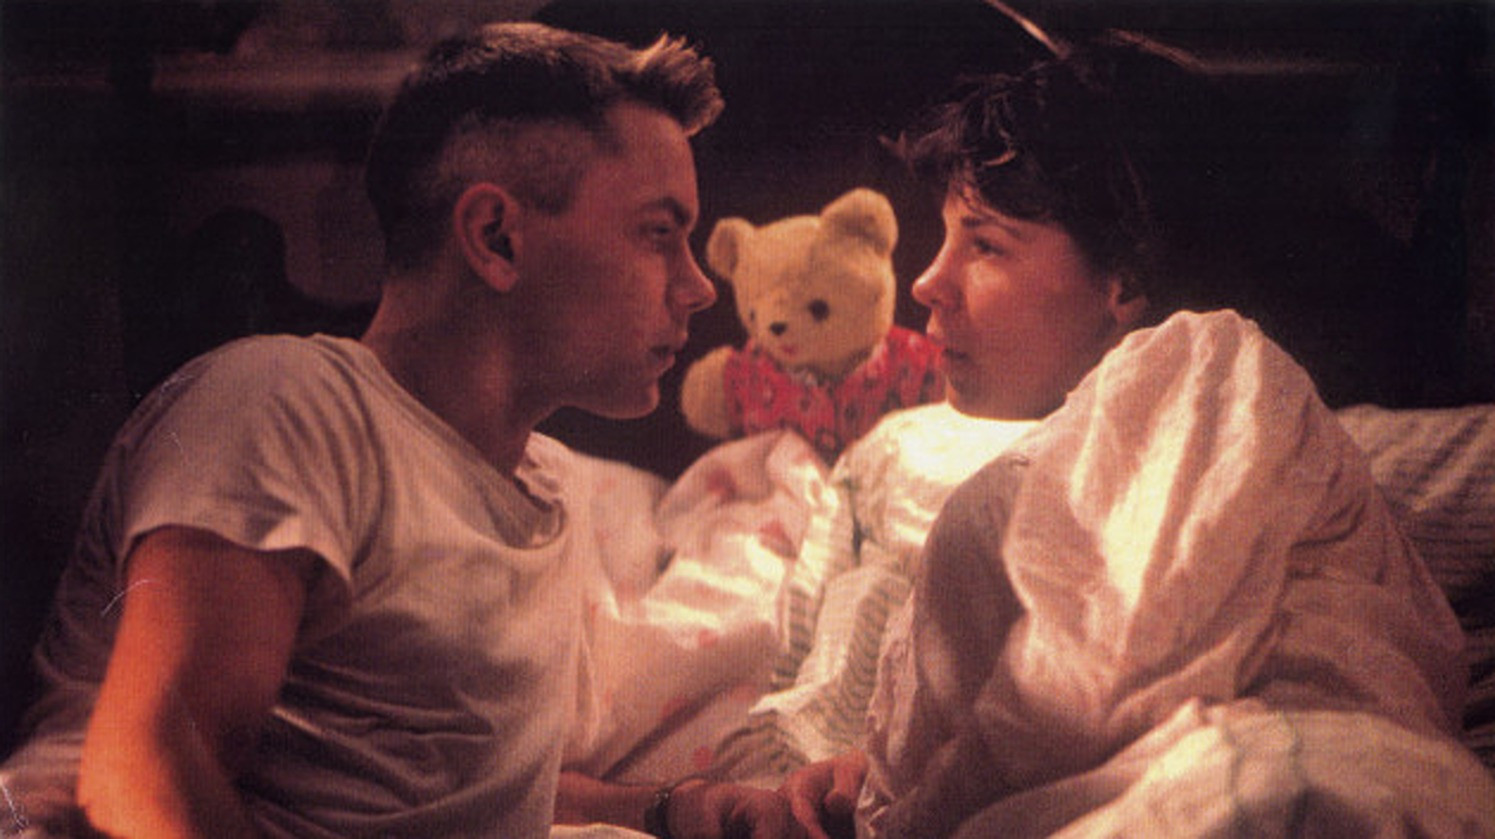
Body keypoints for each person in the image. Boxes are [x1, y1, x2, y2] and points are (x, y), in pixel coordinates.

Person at [0, 22, 800, 839]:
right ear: (496, 237)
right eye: (658, 233)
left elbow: (449, 799)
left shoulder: (547, 484)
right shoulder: (288, 407)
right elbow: (142, 778)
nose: (698, 286)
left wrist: (673, 806)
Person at [778, 31, 1492, 839]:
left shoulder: (1205, 365)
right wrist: (870, 769)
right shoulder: (1091, 441)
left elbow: (1101, 672)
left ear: (1123, 279)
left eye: (984, 243)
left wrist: (899, 805)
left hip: (1281, 774)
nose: (926, 282)